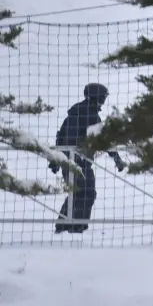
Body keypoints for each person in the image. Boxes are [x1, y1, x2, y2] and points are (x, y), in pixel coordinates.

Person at [49, 83, 125, 233]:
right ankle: (74, 227)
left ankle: (66, 226)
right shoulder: (89, 114)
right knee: (85, 193)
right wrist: (117, 159)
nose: (103, 101)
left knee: (78, 193)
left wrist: (56, 161)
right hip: (79, 162)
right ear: (96, 97)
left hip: (68, 161)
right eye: (102, 98)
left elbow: (60, 137)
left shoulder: (74, 113)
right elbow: (103, 140)